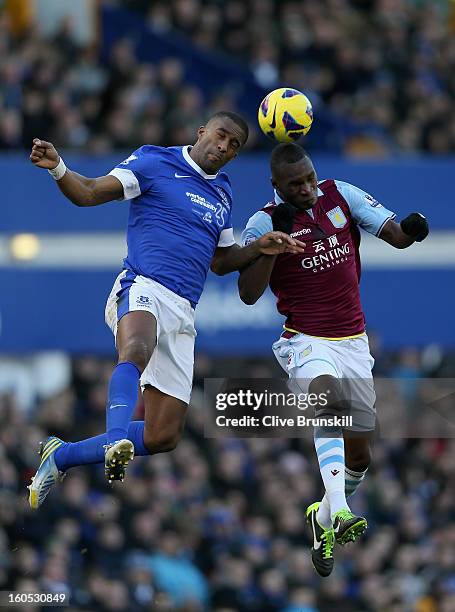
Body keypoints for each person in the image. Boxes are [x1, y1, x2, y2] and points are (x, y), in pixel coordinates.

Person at [27, 112, 305, 509]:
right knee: (135, 350)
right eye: (221, 136)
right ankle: (115, 438)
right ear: (202, 132)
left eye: (234, 146)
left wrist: (260, 248)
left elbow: (223, 262)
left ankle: (62, 454)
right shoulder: (156, 162)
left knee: (163, 435)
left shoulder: (223, 193)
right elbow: (89, 191)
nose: (224, 148)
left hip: (183, 310)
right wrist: (58, 167)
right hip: (143, 285)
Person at [238, 142, 429, 577]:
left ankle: (321, 518)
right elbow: (248, 295)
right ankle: (340, 512)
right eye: (295, 185)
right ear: (276, 187)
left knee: (360, 458)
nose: (306, 190)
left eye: (308, 179)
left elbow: (395, 236)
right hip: (305, 338)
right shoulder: (262, 223)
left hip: (353, 341)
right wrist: (270, 248)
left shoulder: (339, 193)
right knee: (328, 405)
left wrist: (413, 229)